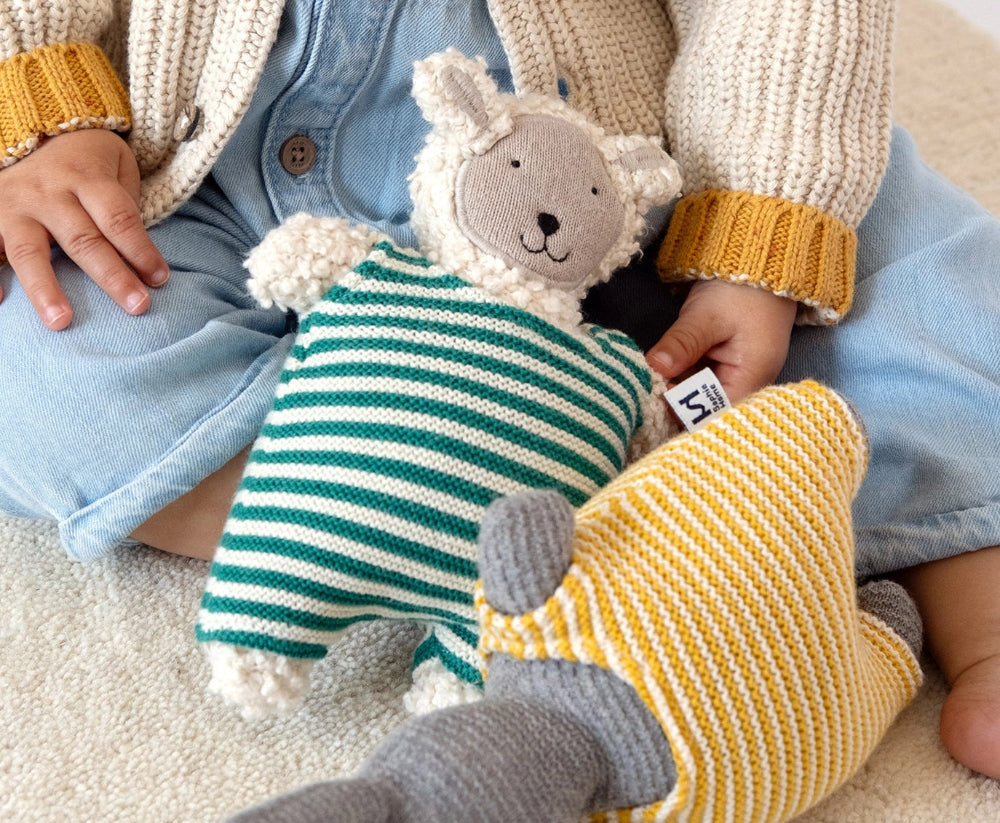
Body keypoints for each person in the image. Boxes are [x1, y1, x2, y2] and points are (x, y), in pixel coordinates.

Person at [0, 2, 997, 777]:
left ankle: (977, 592)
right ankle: (500, 524)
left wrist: (757, 223)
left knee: (896, 264)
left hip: (619, 166)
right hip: (203, 152)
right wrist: (39, 98)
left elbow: (788, 40)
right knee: (57, 356)